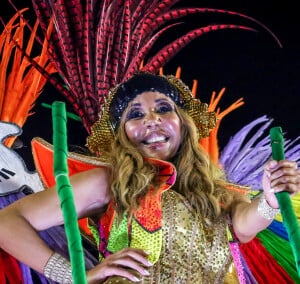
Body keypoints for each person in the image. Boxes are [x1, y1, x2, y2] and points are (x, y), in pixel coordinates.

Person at [0, 72, 299, 283]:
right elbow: (6, 223)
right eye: (135, 115)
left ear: (183, 125)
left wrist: (271, 198)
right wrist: (74, 276)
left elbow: (244, 228)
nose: (151, 119)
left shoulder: (214, 192)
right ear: (122, 135)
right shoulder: (109, 182)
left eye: (163, 109)